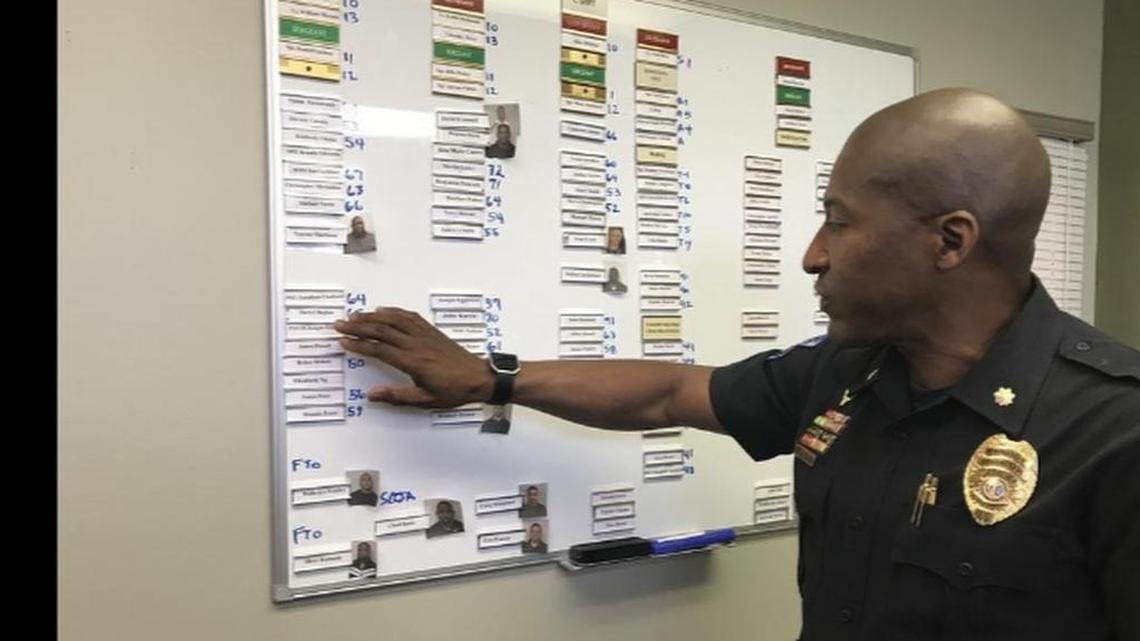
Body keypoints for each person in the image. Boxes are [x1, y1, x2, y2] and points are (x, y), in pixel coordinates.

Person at [334, 89, 1139, 640]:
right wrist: (491, 379)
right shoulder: (847, 375)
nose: (812, 256)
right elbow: (669, 393)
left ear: (950, 241)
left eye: (838, 222)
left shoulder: (1113, 431)